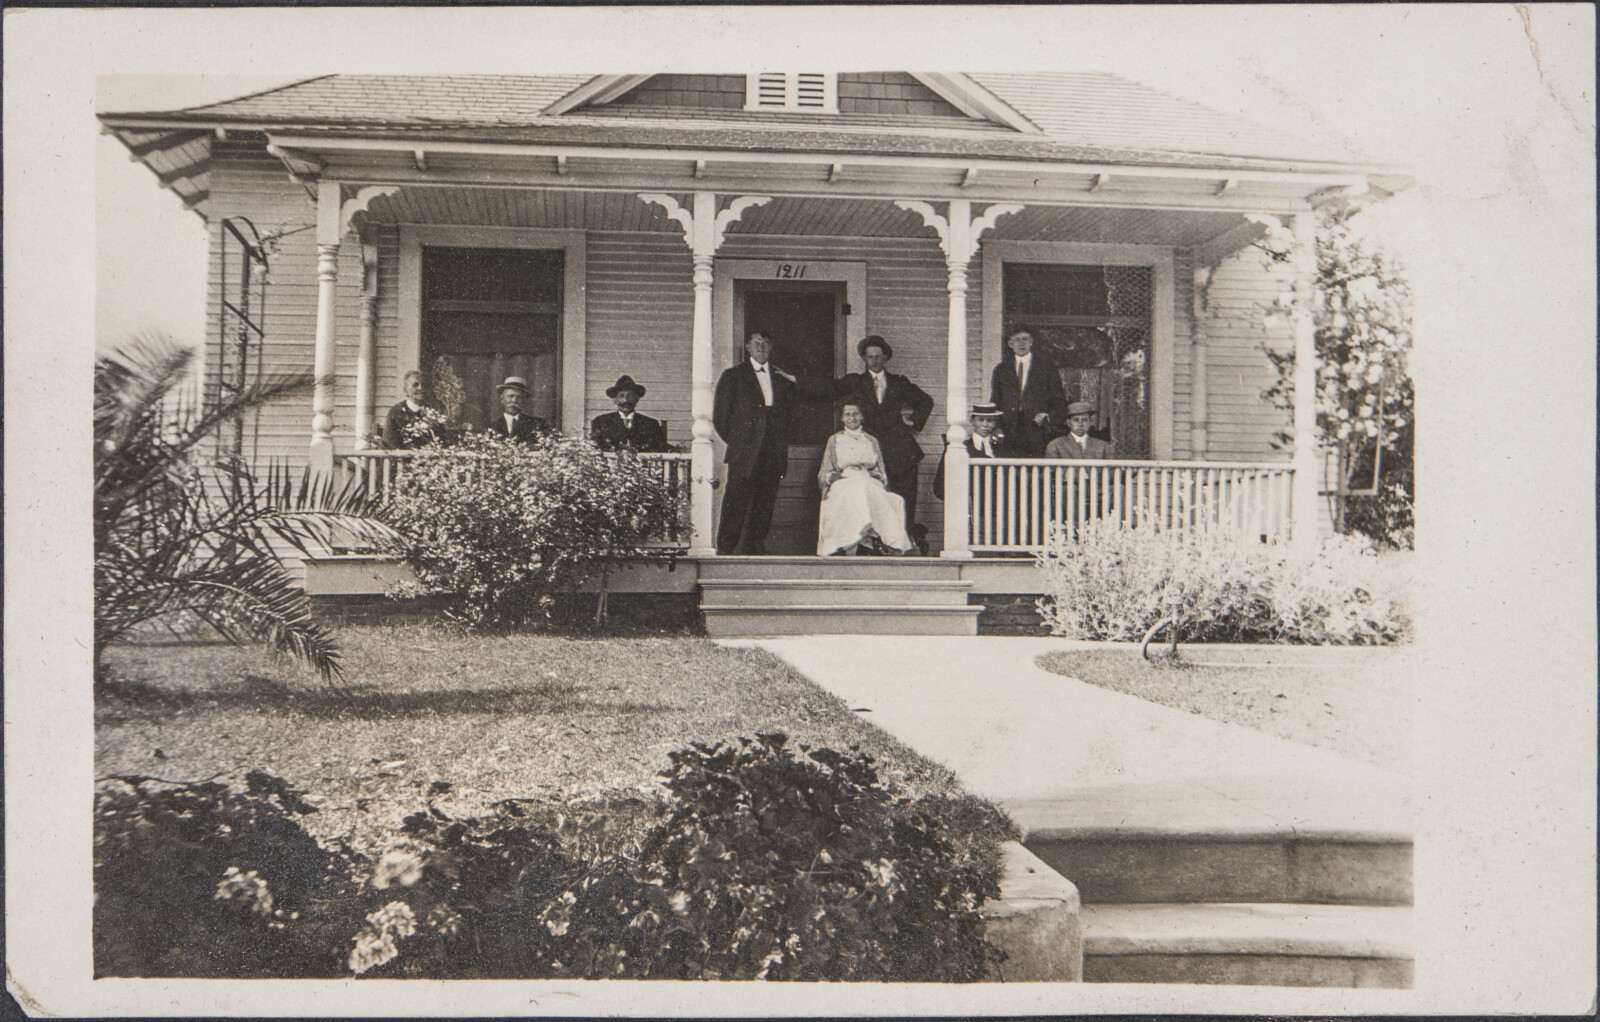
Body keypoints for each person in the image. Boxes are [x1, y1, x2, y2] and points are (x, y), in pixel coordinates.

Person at [830, 336, 934, 547]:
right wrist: (795, 379)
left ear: (885, 357)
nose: (874, 361)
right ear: (864, 359)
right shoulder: (855, 382)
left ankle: (902, 545)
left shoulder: (898, 382)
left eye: (878, 356)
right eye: (870, 357)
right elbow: (827, 388)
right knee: (875, 501)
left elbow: (925, 401)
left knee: (902, 499)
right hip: (871, 451)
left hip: (900, 451)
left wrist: (912, 422)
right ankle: (876, 547)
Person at [713, 331, 799, 555]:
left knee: (765, 499)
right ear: (748, 348)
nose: (760, 348)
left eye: (765, 344)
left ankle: (755, 544)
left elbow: (790, 415)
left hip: (773, 450)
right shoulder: (733, 376)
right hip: (745, 451)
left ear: (771, 348)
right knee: (736, 499)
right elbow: (721, 417)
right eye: (756, 344)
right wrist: (740, 442)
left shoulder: (781, 378)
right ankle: (726, 546)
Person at [816, 399, 914, 556]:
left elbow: (880, 470)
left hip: (867, 478)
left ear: (862, 416)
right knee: (859, 490)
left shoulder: (871, 440)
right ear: (842, 418)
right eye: (847, 414)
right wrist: (831, 478)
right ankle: (860, 539)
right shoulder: (835, 440)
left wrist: (877, 476)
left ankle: (873, 539)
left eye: (856, 414)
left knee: (892, 499)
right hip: (844, 480)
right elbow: (825, 471)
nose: (851, 418)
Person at [989, 325, 1068, 457]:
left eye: (1025, 339)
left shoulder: (1046, 367)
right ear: (1010, 344)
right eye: (1017, 340)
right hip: (1009, 430)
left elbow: (1059, 400)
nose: (1021, 343)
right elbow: (996, 400)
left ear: (1031, 342)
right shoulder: (1002, 369)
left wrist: (1048, 417)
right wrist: (996, 427)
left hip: (1037, 429)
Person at [931, 402, 1018, 496]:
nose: (985, 424)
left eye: (989, 420)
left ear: (995, 423)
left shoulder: (1002, 449)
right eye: (980, 420)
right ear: (972, 421)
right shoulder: (960, 448)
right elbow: (939, 487)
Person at [590, 375, 668, 452]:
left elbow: (661, 448)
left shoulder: (651, 424)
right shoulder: (600, 422)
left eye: (630, 396)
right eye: (621, 396)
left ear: (637, 399)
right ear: (615, 400)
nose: (626, 400)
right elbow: (594, 448)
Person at [384, 370, 446, 449]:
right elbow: (389, 444)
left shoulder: (434, 413)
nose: (420, 388)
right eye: (415, 385)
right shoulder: (395, 412)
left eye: (424, 385)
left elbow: (441, 442)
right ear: (406, 390)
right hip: (403, 458)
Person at [485, 376, 549, 444]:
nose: (514, 400)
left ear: (524, 401)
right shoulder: (492, 428)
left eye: (519, 397)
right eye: (510, 396)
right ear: (502, 399)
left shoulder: (538, 424)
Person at [1045, 401, 1116, 459]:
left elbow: (1112, 473)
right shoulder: (1056, 445)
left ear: (1090, 422)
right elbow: (1049, 473)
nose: (1080, 424)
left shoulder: (1103, 446)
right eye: (1076, 420)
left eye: (1084, 420)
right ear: (1069, 423)